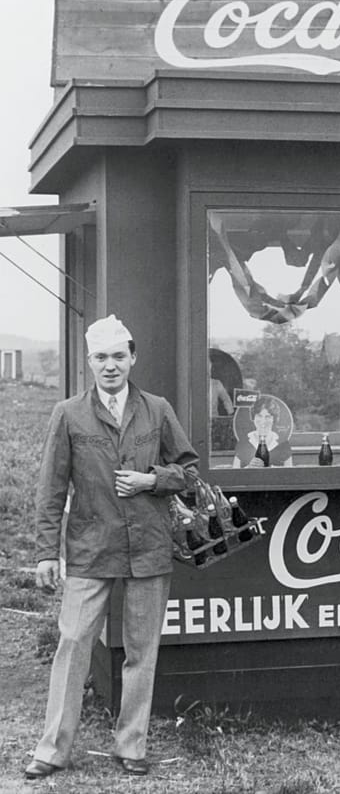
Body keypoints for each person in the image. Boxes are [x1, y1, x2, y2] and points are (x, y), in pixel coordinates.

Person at [25, 315, 199, 780]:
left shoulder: (157, 409)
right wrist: (46, 552)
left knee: (142, 650)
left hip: (149, 547)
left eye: (119, 356)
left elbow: (188, 471)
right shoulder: (69, 414)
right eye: (101, 357)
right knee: (72, 644)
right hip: (91, 547)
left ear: (132, 358)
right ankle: (53, 749)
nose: (110, 366)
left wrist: (152, 479)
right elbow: (50, 488)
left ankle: (132, 745)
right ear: (89, 362)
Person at [233, 394, 293, 467]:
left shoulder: (283, 444)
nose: (263, 421)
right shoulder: (243, 443)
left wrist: (269, 468)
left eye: (268, 416)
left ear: (274, 419)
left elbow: (290, 472)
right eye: (259, 416)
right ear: (254, 417)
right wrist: (249, 468)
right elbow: (234, 471)